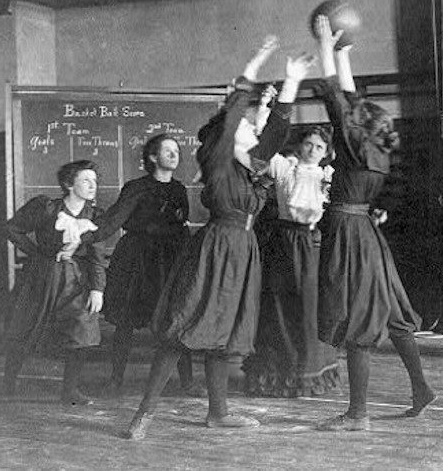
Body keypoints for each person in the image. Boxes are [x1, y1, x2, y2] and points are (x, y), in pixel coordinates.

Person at [123, 36, 315, 440]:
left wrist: (293, 80)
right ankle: (144, 414)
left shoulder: (253, 164)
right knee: (183, 326)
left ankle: (218, 413)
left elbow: (278, 129)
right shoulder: (218, 158)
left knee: (224, 333)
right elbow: (232, 115)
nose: (250, 126)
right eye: (244, 125)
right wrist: (256, 61)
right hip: (216, 248)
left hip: (244, 251)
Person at [312, 16, 435, 432]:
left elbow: (335, 98)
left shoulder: (354, 145)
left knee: (356, 319)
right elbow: (349, 102)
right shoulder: (376, 151)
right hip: (367, 235)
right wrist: (345, 56)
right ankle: (421, 389)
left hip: (349, 235)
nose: (352, 114)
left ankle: (357, 414)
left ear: (360, 127)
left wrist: (326, 48)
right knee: (395, 316)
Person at [79, 134, 204, 398]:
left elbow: (181, 227)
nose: (175, 155)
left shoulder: (179, 189)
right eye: (168, 151)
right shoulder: (136, 187)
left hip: (169, 262)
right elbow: (114, 220)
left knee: (176, 320)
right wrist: (82, 235)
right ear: (152, 157)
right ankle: (116, 380)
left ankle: (187, 382)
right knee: (126, 322)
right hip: (138, 262)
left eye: (176, 151)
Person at [243, 121, 341, 398]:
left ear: (326, 152)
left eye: (319, 146)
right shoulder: (284, 167)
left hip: (313, 245)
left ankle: (308, 373)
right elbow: (261, 149)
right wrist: (265, 113)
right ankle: (276, 374)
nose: (312, 150)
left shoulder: (328, 175)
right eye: (308, 144)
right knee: (279, 306)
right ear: (299, 146)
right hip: (284, 242)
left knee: (309, 308)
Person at [3, 160, 106, 406]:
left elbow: (97, 257)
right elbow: (12, 228)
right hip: (42, 276)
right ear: (69, 184)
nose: (93, 185)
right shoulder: (46, 208)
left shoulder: (95, 216)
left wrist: (97, 289)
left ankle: (69, 390)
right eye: (86, 180)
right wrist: (38, 253)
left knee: (82, 329)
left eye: (94, 181)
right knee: (25, 326)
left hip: (75, 279)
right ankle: (8, 384)